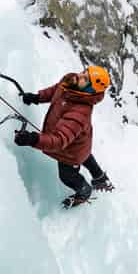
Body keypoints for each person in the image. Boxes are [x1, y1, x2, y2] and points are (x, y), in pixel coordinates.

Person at [13, 66, 113, 208]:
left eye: (85, 78)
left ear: (90, 89)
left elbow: (59, 141)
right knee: (84, 154)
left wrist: (33, 139)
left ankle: (84, 190)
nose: (80, 76)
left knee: (67, 175)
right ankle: (100, 177)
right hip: (80, 142)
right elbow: (55, 91)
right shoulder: (70, 83)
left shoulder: (80, 112)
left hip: (69, 150)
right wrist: (37, 97)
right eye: (84, 72)